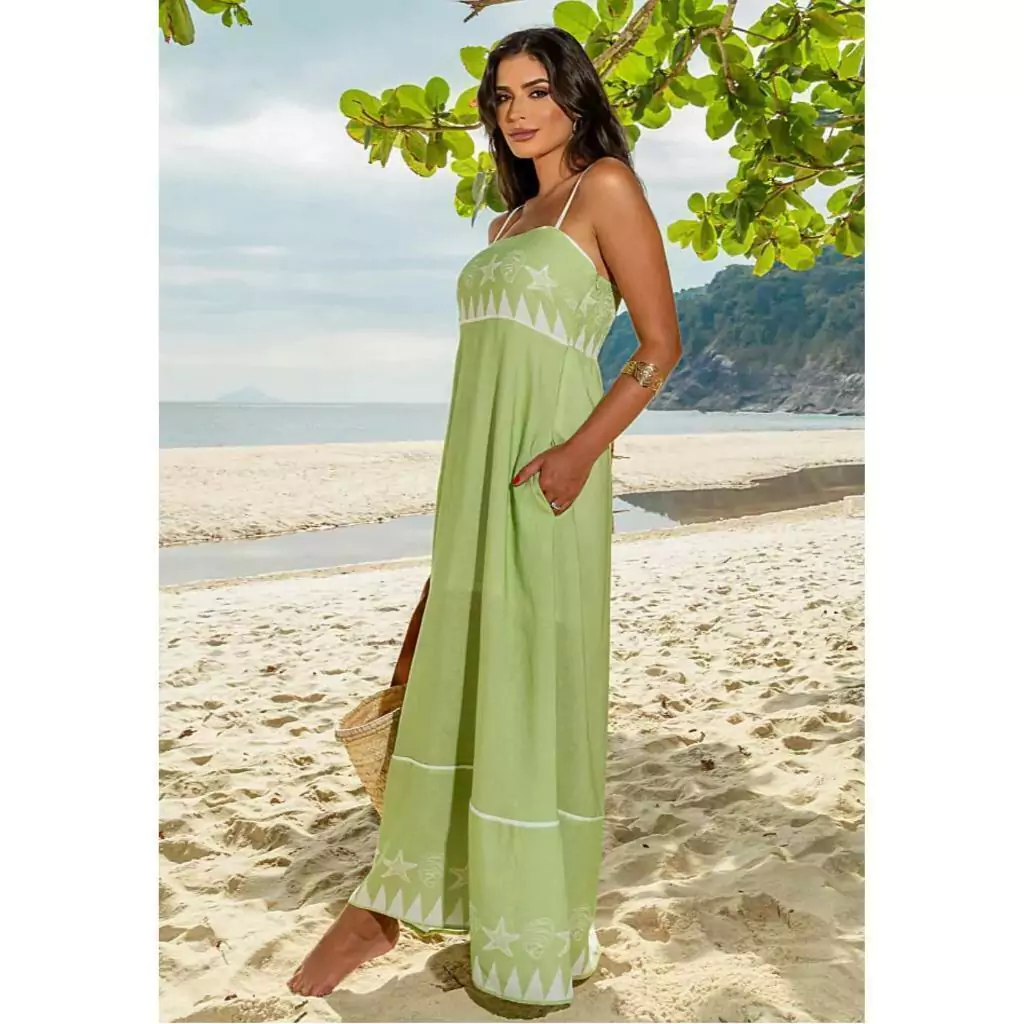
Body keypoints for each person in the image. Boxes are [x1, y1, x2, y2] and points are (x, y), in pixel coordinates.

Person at [288, 25, 682, 1006]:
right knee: (461, 677)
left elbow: (657, 347)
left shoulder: (604, 190)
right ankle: (400, 901)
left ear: (575, 98)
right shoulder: (506, 226)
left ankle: (521, 932)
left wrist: (577, 455)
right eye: (502, 95)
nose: (517, 110)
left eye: (536, 90)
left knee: (528, 688)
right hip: (475, 481)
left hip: (550, 479)